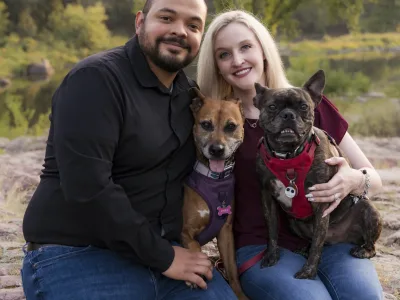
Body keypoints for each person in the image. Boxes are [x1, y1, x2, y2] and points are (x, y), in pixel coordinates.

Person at [20, 0, 238, 299]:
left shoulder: (190, 98)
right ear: (139, 23)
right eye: (166, 17)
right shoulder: (96, 80)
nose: (179, 31)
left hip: (164, 258)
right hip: (78, 254)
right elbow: (88, 188)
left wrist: (325, 163)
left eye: (193, 25)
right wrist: (164, 256)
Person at [197, 9, 384, 300]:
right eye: (224, 54)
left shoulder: (307, 104)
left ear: (264, 50)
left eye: (246, 47)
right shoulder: (216, 124)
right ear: (216, 65)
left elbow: (374, 178)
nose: (237, 60)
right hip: (261, 246)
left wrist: (353, 180)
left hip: (331, 239)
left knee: (364, 296)